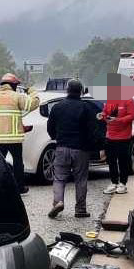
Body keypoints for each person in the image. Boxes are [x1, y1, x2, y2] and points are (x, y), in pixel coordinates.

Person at [0, 72, 38, 193]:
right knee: (17, 163)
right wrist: (33, 92)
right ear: (12, 85)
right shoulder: (17, 97)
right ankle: (19, 187)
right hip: (14, 139)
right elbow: (33, 104)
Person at [46, 79, 97, 218]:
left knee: (59, 178)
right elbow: (92, 129)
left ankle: (58, 202)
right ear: (81, 91)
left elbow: (50, 127)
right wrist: (93, 146)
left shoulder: (57, 107)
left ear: (67, 90)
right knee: (81, 180)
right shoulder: (86, 108)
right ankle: (80, 209)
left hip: (62, 147)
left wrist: (57, 137)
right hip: (81, 149)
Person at [99, 74, 134, 195]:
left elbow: (132, 116)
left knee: (123, 161)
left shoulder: (128, 100)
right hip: (110, 136)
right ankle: (114, 182)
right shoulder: (110, 100)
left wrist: (119, 120)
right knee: (111, 161)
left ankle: (123, 183)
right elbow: (105, 112)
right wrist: (102, 116)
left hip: (124, 137)